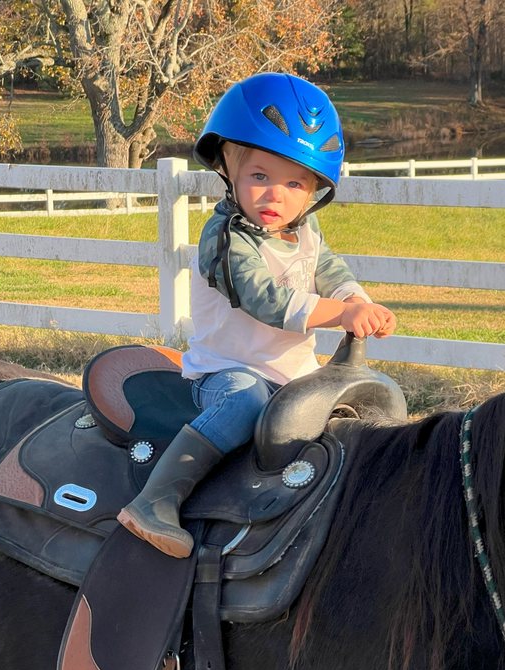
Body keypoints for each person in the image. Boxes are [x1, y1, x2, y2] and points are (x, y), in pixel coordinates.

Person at [118, 72, 396, 558]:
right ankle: (157, 499)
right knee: (244, 404)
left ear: (314, 191)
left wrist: (356, 299)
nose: (276, 195)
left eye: (294, 183)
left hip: (292, 374)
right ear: (228, 168)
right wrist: (341, 315)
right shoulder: (226, 238)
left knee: (354, 417)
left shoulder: (304, 232)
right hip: (226, 372)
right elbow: (266, 300)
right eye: (260, 176)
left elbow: (328, 269)